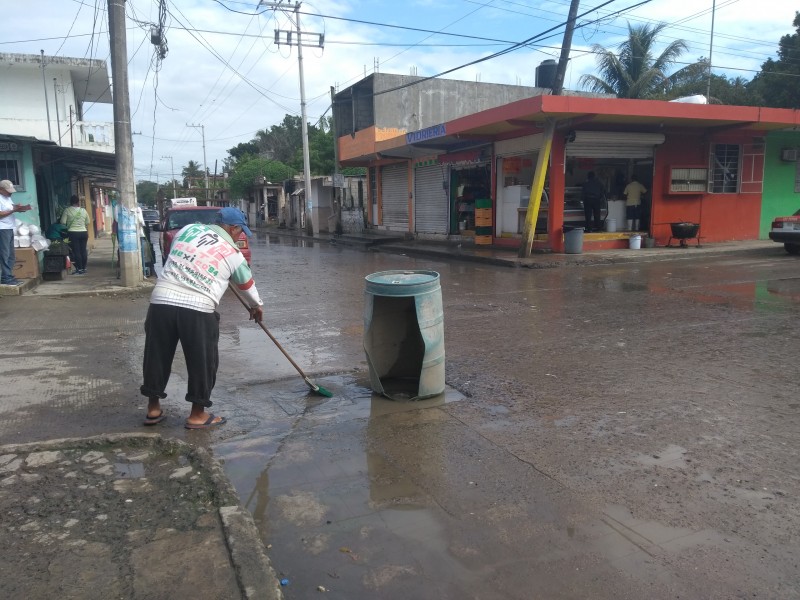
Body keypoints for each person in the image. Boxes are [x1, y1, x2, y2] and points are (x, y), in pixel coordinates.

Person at [140, 207, 264, 430]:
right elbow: (246, 285)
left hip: (161, 302)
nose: (239, 236)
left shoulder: (187, 230)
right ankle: (197, 415)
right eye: (239, 231)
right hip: (198, 308)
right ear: (232, 228)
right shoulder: (232, 254)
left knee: (156, 355)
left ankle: (153, 408)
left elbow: (187, 254)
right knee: (202, 361)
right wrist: (256, 306)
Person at [0, 180, 32, 286]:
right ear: (1, 189)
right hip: (2, 228)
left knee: (11, 255)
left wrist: (20, 208)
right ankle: (6, 277)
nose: (11, 192)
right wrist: (13, 210)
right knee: (5, 254)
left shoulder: (7, 198)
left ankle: (9, 276)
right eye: (8, 191)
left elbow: (10, 208)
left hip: (9, 227)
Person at [61, 195, 90, 275]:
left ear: (70, 202)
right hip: (84, 232)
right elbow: (88, 222)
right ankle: (84, 268)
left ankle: (79, 269)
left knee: (77, 251)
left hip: (73, 233)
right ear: (78, 202)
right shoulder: (83, 210)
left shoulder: (67, 210)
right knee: (83, 250)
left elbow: (63, 222)